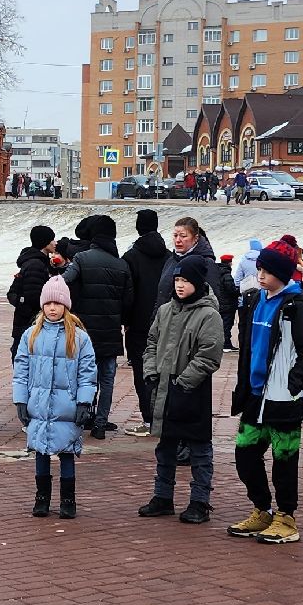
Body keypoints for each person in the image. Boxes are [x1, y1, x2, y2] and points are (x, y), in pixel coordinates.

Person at [227, 244, 303, 543]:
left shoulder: (296, 305)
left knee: (284, 460)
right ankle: (262, 509)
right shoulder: (255, 299)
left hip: (283, 399)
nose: (261, 275)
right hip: (255, 395)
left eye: (267, 271)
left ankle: (286, 517)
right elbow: (248, 344)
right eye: (260, 270)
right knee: (245, 454)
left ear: (282, 273)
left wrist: (292, 384)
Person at [139, 255, 225, 524]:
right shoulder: (165, 310)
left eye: (186, 280)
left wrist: (184, 382)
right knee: (165, 447)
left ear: (198, 283)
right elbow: (151, 342)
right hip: (164, 386)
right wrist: (151, 372)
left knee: (199, 449)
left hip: (192, 390)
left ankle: (200, 501)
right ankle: (162, 497)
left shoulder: (209, 315)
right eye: (177, 279)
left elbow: (209, 355)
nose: (180, 285)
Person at [15, 276, 96, 519]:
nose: (52, 308)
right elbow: (21, 370)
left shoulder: (79, 338)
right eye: (48, 303)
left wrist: (84, 401)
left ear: (66, 306)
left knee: (67, 451)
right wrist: (21, 399)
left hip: (66, 406)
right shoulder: (31, 335)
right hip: (39, 404)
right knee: (40, 450)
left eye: (57, 303)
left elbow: (87, 372)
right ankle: (42, 497)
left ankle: (68, 499)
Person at [62, 215, 132, 441]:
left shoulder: (81, 258)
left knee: (81, 376)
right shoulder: (122, 265)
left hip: (84, 332)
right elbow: (128, 302)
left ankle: (82, 417)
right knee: (107, 379)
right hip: (111, 332)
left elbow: (64, 282)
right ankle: (100, 424)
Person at [122, 210, 170, 428]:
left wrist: (126, 320)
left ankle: (149, 418)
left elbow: (127, 293)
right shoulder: (169, 256)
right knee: (165, 369)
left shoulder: (131, 257)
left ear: (138, 227)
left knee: (142, 370)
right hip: (166, 321)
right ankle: (163, 415)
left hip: (139, 323)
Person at [8, 225, 57, 354]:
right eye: (52, 239)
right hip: (29, 323)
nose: (55, 243)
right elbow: (34, 297)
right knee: (25, 355)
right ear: (45, 242)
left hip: (28, 322)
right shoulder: (35, 264)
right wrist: (24, 305)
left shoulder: (41, 262)